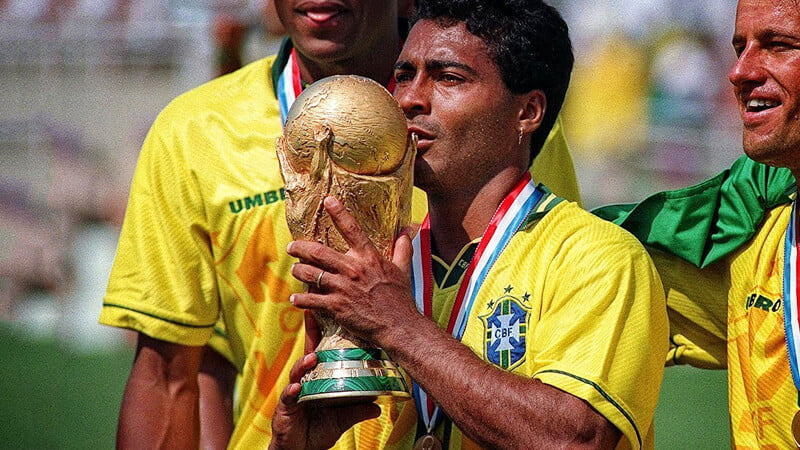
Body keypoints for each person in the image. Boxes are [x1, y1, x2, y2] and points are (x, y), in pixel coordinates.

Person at [99, 1, 582, 448]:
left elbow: (549, 321)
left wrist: (395, 323)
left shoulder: (495, 125)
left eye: (446, 78)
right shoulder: (194, 133)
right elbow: (173, 374)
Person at [270, 1, 668, 448]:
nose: (408, 99)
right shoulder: (378, 269)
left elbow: (576, 440)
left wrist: (399, 327)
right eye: (404, 75)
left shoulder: (597, 258)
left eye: (448, 78)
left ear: (528, 112)